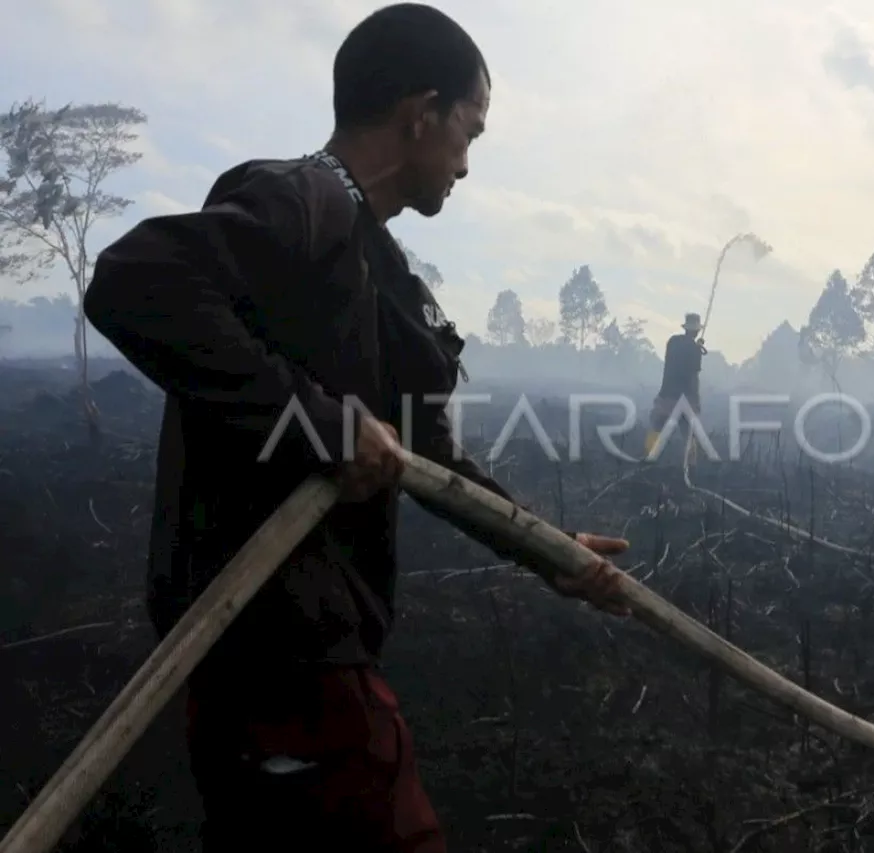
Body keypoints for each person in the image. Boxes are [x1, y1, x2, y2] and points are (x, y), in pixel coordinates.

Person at [83, 5, 629, 851]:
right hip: (282, 661)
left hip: (306, 655)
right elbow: (135, 282)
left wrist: (549, 548)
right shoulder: (299, 200)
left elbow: (429, 456)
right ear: (421, 113)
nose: (469, 164)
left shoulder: (381, 271)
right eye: (470, 131)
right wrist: (325, 424)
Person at [645, 313, 707, 462]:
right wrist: (697, 349)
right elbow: (694, 372)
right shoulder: (694, 349)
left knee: (657, 428)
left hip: (666, 395)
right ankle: (690, 466)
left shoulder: (672, 342)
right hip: (685, 399)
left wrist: (696, 347)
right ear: (697, 330)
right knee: (689, 434)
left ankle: (648, 459)